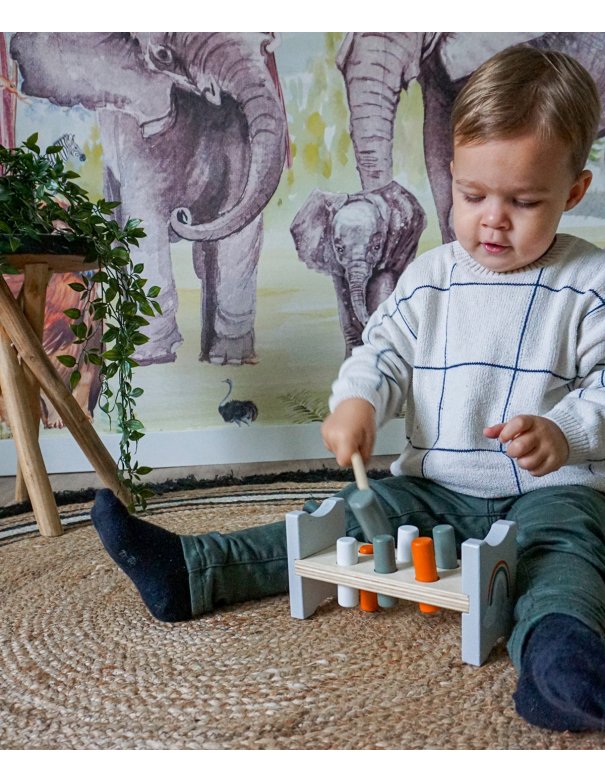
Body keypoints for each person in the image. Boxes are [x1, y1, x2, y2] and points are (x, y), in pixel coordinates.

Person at [91, 45, 605, 732]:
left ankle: (557, 662)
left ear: (572, 192)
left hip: (555, 496)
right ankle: (195, 569)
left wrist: (562, 432)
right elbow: (380, 353)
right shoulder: (430, 278)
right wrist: (357, 403)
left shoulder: (589, 282)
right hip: (437, 489)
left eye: (523, 202)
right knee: (342, 518)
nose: (491, 219)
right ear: (449, 173)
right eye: (474, 195)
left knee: (564, 568)